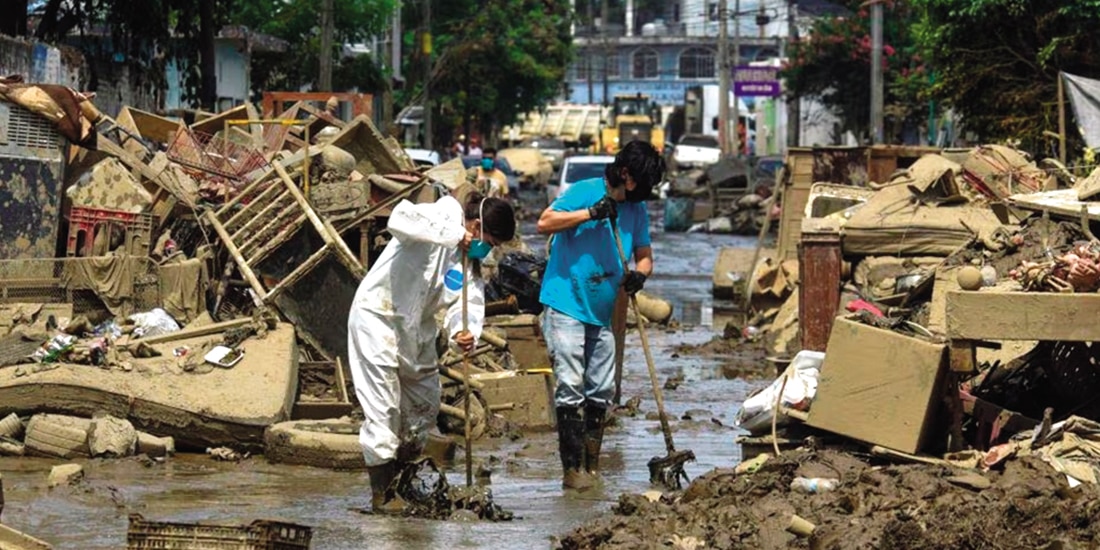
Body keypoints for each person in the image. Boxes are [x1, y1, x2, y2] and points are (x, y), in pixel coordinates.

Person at [348, 189, 516, 513]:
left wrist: (463, 333)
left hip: (416, 333)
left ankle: (401, 478)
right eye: (490, 241)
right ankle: (382, 496)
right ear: (476, 225)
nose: (488, 249)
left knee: (423, 407)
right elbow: (399, 219)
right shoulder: (440, 215)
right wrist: (453, 234)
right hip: (377, 319)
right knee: (383, 410)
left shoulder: (467, 265)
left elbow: (466, 305)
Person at [535, 140, 665, 490]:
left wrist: (640, 274)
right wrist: (590, 214)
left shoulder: (636, 210)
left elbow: (644, 256)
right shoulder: (585, 191)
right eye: (644, 182)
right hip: (567, 301)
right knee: (570, 383)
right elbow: (544, 222)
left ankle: (591, 466)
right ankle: (571, 470)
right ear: (626, 175)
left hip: (603, 310)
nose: (647, 191)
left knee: (602, 388)